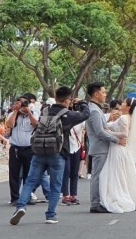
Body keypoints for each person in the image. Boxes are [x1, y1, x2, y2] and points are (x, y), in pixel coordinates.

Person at [9, 86, 90, 225]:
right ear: (68, 100)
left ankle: (20, 206)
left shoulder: (45, 110)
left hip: (39, 152)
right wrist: (82, 103)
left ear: (56, 97)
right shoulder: (68, 115)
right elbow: (85, 114)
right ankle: (50, 215)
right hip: (58, 153)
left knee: (29, 181)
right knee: (55, 185)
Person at [99, 98, 136, 213]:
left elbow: (124, 134)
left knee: (113, 174)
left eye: (125, 103)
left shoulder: (124, 118)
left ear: (129, 107)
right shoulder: (126, 117)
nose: (122, 104)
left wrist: (110, 132)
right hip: (118, 148)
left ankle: (117, 195)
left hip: (117, 148)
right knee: (117, 174)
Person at [85, 83, 125, 214]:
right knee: (97, 175)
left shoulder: (95, 109)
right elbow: (100, 132)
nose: (105, 94)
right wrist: (116, 140)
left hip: (101, 146)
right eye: (103, 92)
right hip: (99, 147)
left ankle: (100, 201)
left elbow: (104, 128)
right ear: (96, 94)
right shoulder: (94, 111)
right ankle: (95, 203)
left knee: (101, 175)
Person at [6, 94, 48, 206]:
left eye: (24, 103)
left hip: (29, 148)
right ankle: (14, 197)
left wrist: (28, 113)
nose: (22, 105)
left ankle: (27, 196)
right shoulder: (12, 114)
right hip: (15, 148)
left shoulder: (34, 114)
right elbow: (9, 125)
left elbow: (37, 125)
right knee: (14, 174)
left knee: (29, 174)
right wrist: (15, 111)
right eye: (20, 103)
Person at [61, 115, 85, 206]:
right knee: (66, 172)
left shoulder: (81, 121)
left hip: (76, 148)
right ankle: (65, 196)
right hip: (66, 149)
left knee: (75, 173)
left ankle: (73, 195)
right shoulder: (64, 120)